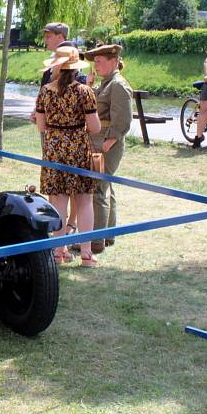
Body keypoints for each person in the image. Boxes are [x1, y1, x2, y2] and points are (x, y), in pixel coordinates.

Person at [34, 46, 101, 267]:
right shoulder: (84, 91)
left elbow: (41, 126)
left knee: (58, 200)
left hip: (53, 148)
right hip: (78, 148)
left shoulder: (45, 91)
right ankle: (86, 254)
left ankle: (58, 252)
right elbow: (95, 127)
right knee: (84, 200)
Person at [31, 22, 85, 235]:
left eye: (48, 35)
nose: (45, 39)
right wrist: (37, 112)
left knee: (72, 184)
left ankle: (70, 224)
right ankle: (59, 225)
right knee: (56, 182)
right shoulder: (51, 67)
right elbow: (44, 96)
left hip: (70, 138)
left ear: (59, 35)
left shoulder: (73, 64)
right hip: (51, 134)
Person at [84, 44, 133, 254]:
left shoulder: (118, 85)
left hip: (106, 143)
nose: (96, 65)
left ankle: (96, 241)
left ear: (113, 61)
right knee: (105, 187)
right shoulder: (107, 83)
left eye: (100, 61)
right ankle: (107, 235)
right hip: (100, 141)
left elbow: (122, 120)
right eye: (95, 61)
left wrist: (108, 143)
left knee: (98, 190)